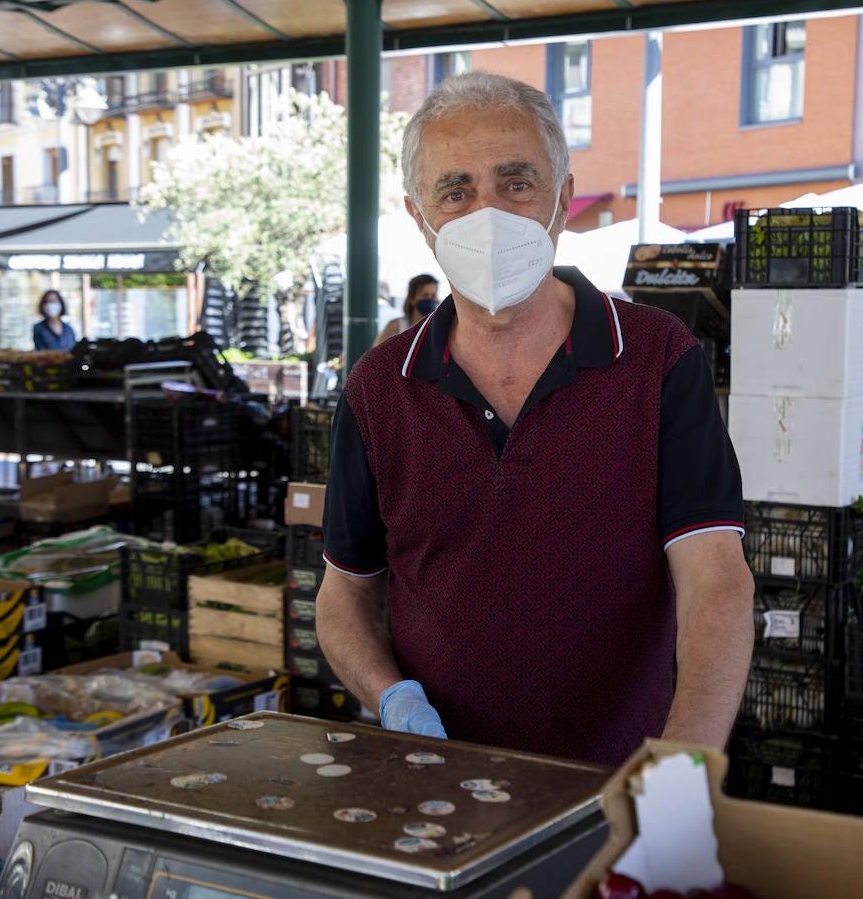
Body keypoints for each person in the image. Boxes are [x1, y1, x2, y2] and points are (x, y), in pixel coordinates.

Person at [315, 70, 754, 768]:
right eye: (455, 190)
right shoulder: (378, 389)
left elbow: (716, 580)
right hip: (436, 781)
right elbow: (346, 593)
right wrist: (391, 694)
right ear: (418, 216)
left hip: (614, 784)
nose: (486, 213)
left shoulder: (658, 359)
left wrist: (682, 767)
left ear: (562, 198)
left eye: (516, 182)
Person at [373, 274, 439, 347]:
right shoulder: (396, 326)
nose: (430, 299)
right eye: (425, 295)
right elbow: (374, 355)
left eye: (433, 296)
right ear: (412, 299)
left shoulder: (437, 328)